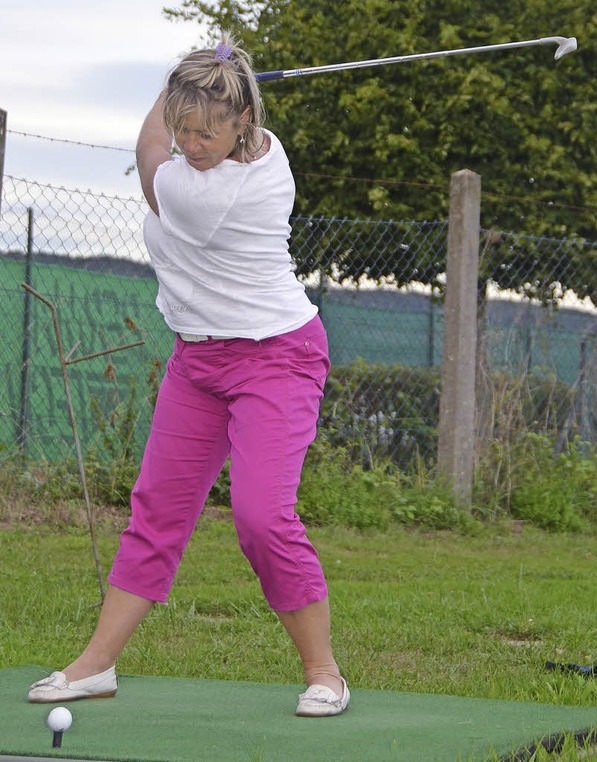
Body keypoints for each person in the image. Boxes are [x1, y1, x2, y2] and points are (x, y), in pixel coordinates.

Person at [28, 33, 349, 718]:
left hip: (277, 358)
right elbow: (167, 135)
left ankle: (325, 672)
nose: (191, 144)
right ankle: (95, 666)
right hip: (198, 360)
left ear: (243, 124)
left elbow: (146, 154)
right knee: (157, 511)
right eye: (184, 129)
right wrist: (189, 83)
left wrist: (171, 93)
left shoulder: (207, 192)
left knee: (263, 520)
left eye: (206, 131)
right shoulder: (250, 147)